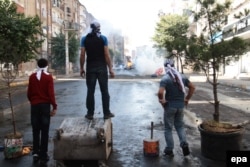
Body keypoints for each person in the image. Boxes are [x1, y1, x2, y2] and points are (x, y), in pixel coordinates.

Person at [157, 59, 195, 157]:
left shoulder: (165, 79)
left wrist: (162, 102)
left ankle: (169, 150)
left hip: (170, 107)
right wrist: (187, 99)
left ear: (165, 67)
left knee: (168, 128)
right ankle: (184, 144)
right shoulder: (182, 76)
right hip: (181, 107)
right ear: (174, 66)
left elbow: (160, 92)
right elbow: (192, 87)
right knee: (180, 126)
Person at [80, 21, 115, 120]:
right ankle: (106, 113)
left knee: (90, 91)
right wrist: (110, 69)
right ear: (99, 28)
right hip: (102, 68)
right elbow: (106, 55)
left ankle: (90, 114)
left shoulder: (84, 39)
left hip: (90, 68)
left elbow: (82, 54)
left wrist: (82, 68)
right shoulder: (103, 38)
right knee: (104, 91)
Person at [27, 58, 57, 164]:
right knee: (45, 130)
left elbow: (29, 93)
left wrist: (33, 101)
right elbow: (51, 93)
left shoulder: (32, 77)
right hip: (45, 107)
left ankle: (35, 153)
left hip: (34, 106)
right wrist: (54, 106)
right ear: (46, 65)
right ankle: (43, 154)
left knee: (35, 130)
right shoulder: (48, 78)